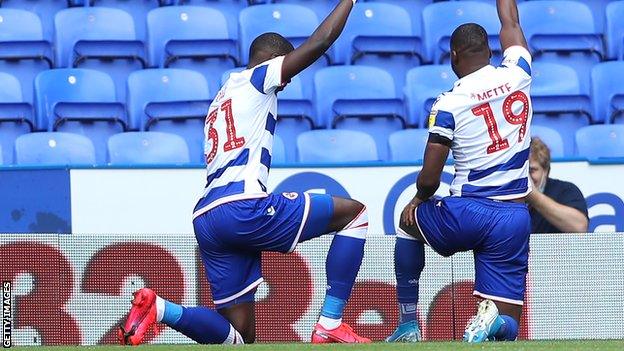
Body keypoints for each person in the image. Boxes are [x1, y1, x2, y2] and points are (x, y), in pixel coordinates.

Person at [118, 0, 370, 345]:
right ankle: (330, 321)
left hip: (208, 216)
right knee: (354, 215)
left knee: (240, 338)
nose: (288, 82)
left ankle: (160, 309)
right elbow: (319, 43)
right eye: (288, 72)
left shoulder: (222, 96)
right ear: (275, 62)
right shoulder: (257, 79)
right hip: (242, 207)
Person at [386, 0, 532, 343]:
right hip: (513, 216)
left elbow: (430, 176)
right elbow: (510, 21)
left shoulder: (449, 102)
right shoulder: (519, 72)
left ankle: (408, 324)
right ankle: (493, 320)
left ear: (454, 56)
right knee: (508, 329)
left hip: (469, 211)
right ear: (490, 50)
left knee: (408, 223)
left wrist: (419, 198)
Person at [528, 137, 588, 233]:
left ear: (546, 170)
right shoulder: (502, 194)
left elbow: (580, 227)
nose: (526, 177)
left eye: (531, 171)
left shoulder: (566, 190)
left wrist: (533, 196)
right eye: (522, 172)